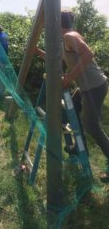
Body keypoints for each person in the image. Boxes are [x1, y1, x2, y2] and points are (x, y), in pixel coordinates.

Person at [35, 11, 109, 181]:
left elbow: (89, 54)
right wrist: (36, 50)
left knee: (91, 125)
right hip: (86, 87)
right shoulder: (65, 40)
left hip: (95, 87)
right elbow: (53, 59)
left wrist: (70, 77)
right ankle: (79, 147)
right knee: (71, 110)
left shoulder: (70, 36)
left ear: (58, 24)